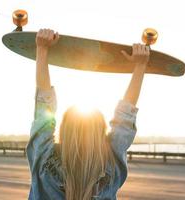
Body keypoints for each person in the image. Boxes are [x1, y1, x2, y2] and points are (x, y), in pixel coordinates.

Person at [26, 29, 150, 200]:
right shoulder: (110, 162)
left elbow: (43, 108)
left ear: (64, 129)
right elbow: (125, 117)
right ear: (101, 132)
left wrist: (42, 49)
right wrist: (141, 65)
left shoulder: (44, 156)